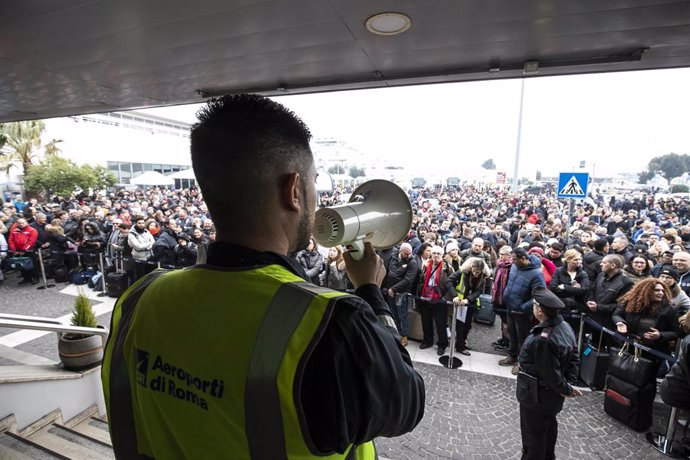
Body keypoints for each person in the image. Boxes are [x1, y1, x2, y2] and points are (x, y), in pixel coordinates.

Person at [101, 94, 425, 459]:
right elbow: (406, 402)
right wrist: (369, 290)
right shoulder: (332, 324)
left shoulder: (139, 299)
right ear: (293, 191)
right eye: (314, 184)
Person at [516, 288, 582, 460]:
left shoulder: (543, 339)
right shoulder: (564, 325)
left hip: (537, 396)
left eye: (534, 305)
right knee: (547, 431)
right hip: (549, 397)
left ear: (539, 310)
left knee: (534, 439)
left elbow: (549, 372)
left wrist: (566, 388)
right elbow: (575, 356)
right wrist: (569, 383)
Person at [613, 278, 681, 374]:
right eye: (656, 290)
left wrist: (660, 335)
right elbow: (617, 314)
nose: (661, 293)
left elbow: (676, 332)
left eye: (662, 290)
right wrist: (620, 323)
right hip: (628, 346)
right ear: (646, 290)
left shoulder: (668, 309)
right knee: (623, 374)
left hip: (652, 351)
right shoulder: (630, 302)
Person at [499, 247, 546, 374]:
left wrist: (523, 307)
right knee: (512, 333)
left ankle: (521, 362)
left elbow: (539, 294)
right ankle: (512, 355)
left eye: (514, 259)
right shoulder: (515, 266)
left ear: (524, 258)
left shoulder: (536, 273)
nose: (512, 261)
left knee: (523, 337)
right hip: (510, 307)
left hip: (522, 312)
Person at [585, 254, 634, 350]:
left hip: (610, 324)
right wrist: (590, 301)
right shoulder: (600, 275)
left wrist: (598, 307)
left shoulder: (626, 282)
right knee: (593, 350)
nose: (600, 264)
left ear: (613, 265)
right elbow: (592, 291)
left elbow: (621, 306)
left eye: (604, 262)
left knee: (609, 353)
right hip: (595, 320)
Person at [447, 257, 492, 356]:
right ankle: (460, 346)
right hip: (459, 302)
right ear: (471, 267)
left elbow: (479, 291)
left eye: (478, 272)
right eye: (475, 271)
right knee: (460, 325)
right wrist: (454, 296)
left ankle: (462, 342)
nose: (476, 274)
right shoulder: (462, 272)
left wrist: (469, 299)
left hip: (470, 302)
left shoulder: (483, 276)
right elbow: (449, 281)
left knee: (468, 325)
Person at [417, 245, 453, 355]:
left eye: (438, 254)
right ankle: (428, 341)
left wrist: (445, 298)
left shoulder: (447, 267)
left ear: (442, 255)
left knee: (440, 324)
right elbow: (420, 279)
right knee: (426, 321)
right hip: (426, 297)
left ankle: (442, 344)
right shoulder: (426, 265)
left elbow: (452, 284)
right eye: (434, 253)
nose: (436, 256)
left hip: (439, 300)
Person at [382, 242, 419, 347]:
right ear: (400, 251)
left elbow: (408, 280)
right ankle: (396, 333)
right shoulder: (393, 257)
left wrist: (393, 289)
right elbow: (388, 271)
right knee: (393, 314)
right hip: (390, 291)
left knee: (402, 315)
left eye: (410, 253)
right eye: (406, 254)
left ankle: (404, 336)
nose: (408, 256)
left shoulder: (412, 262)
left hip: (401, 293)